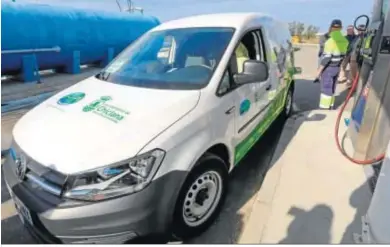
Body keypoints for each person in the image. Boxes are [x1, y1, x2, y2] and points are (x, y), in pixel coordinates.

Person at [314, 19, 349, 109]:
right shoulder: (344, 41)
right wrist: (341, 70)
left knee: (326, 89)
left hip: (328, 68)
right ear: (341, 28)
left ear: (331, 27)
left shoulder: (330, 41)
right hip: (336, 67)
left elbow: (326, 58)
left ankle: (324, 108)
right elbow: (344, 56)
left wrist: (318, 72)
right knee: (332, 87)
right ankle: (331, 106)